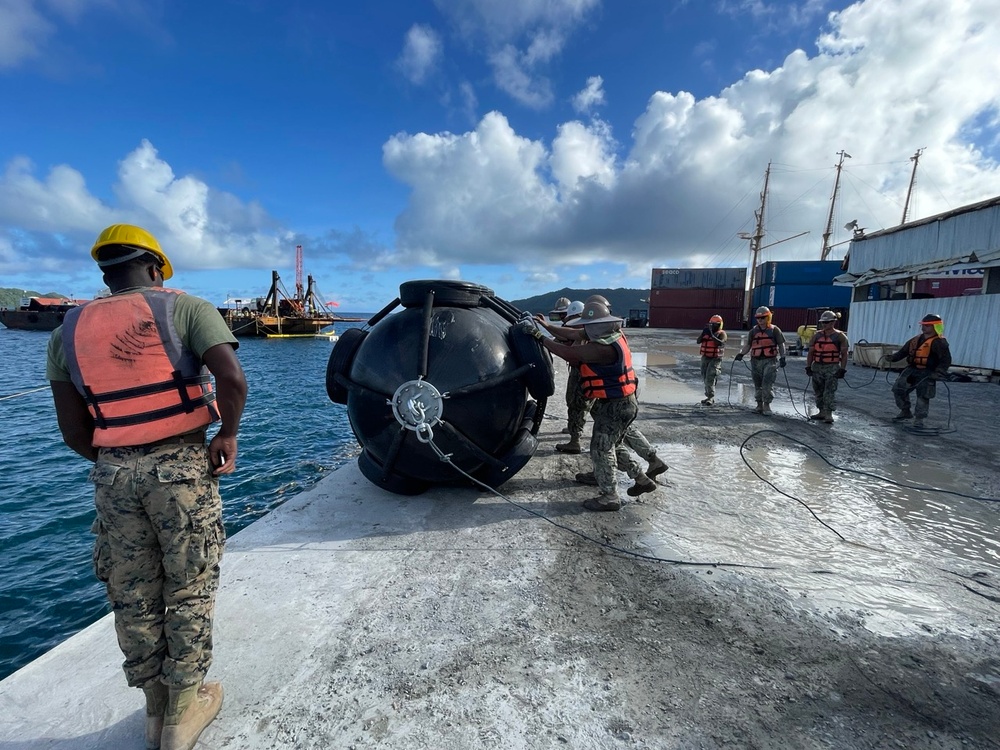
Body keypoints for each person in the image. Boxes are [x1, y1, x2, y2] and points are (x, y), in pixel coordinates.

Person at [46, 224, 248, 750]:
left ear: (106, 273)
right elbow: (232, 380)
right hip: (180, 466)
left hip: (112, 474)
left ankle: (154, 710)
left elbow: (72, 431)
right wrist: (226, 434)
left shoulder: (65, 330)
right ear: (156, 267)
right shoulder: (185, 308)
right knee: (189, 584)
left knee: (132, 591)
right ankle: (184, 711)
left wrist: (118, 455)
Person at [527, 301, 657, 511]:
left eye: (588, 324)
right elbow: (572, 334)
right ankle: (641, 479)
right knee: (612, 446)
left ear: (598, 325)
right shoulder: (610, 334)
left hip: (616, 407)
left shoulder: (602, 348)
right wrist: (547, 326)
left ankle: (609, 497)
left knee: (600, 449)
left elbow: (569, 354)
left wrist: (540, 337)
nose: (584, 328)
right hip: (619, 402)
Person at [887, 313, 952, 428]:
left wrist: (939, 372)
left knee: (923, 395)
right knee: (899, 389)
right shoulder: (915, 340)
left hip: (928, 372)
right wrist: (893, 358)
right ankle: (905, 411)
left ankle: (919, 419)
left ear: (935, 327)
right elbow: (903, 351)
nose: (923, 328)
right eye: (923, 325)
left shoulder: (939, 343)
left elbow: (945, 360)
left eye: (927, 325)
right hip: (912, 369)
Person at [734, 306, 786, 415]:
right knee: (757, 383)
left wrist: (782, 357)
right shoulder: (753, 331)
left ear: (768, 317)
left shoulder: (775, 330)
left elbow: (781, 344)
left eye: (763, 318)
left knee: (767, 382)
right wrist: (741, 354)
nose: (760, 320)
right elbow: (748, 345)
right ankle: (759, 405)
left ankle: (766, 406)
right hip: (755, 361)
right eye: (758, 318)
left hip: (770, 360)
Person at [805, 310, 850, 423]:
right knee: (818, 390)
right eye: (823, 322)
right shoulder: (816, 336)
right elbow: (811, 352)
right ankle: (821, 412)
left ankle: (828, 413)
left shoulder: (840, 336)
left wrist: (842, 369)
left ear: (833, 322)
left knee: (829, 391)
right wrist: (808, 366)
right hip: (817, 367)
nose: (825, 325)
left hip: (832, 367)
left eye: (827, 322)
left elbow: (844, 354)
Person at [696, 314, 727, 405]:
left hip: (715, 358)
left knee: (710, 376)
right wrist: (703, 334)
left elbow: (720, 343)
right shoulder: (706, 332)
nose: (712, 326)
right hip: (705, 357)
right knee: (705, 376)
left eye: (715, 324)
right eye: (711, 324)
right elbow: (698, 341)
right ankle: (708, 396)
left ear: (719, 324)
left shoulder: (722, 334)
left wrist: (712, 335)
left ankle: (711, 397)